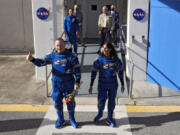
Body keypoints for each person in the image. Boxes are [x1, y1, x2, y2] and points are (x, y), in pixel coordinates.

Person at [26, 38, 81, 128]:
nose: (59, 47)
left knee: (69, 101)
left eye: (61, 45)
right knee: (58, 102)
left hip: (69, 85)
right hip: (56, 85)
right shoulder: (52, 56)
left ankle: (72, 119)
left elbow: (77, 69)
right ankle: (61, 120)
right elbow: (42, 62)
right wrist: (32, 59)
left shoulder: (71, 56)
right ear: (55, 46)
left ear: (64, 45)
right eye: (57, 45)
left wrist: (77, 81)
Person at [88, 42, 124, 127]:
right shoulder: (98, 60)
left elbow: (121, 73)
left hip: (113, 84)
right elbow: (94, 73)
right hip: (102, 84)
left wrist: (122, 84)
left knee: (111, 102)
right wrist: (91, 85)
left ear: (110, 49)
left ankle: (110, 118)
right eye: (103, 48)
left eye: (106, 48)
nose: (104, 49)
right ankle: (100, 113)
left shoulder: (116, 60)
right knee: (101, 101)